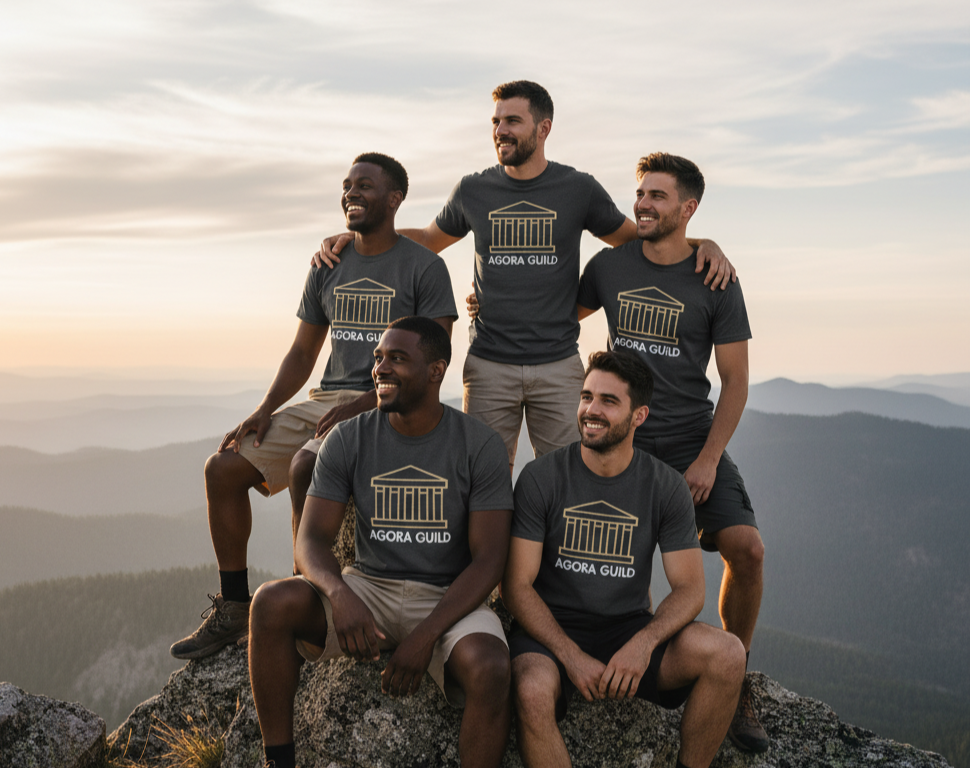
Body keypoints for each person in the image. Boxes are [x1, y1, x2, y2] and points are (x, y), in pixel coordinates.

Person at [315, 81, 734, 472]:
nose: (501, 130)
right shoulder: (473, 190)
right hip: (488, 366)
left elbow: (638, 239)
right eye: (495, 122)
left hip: (558, 365)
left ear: (543, 127)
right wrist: (357, 236)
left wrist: (702, 243)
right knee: (481, 478)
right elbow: (427, 238)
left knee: (575, 475)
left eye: (512, 121)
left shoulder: (578, 188)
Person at [170, 154, 459, 660]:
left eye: (365, 186)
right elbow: (304, 352)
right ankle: (236, 607)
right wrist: (265, 408)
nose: (351, 193)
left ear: (394, 200)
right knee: (223, 468)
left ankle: (308, 607)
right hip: (324, 399)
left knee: (309, 463)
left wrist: (370, 401)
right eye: (347, 185)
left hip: (389, 401)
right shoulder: (329, 264)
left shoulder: (425, 268)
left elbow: (437, 357)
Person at [248, 317, 514, 768]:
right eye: (378, 358)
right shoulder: (348, 438)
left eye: (397, 358)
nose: (380, 369)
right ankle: (280, 761)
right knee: (270, 603)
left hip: (448, 598)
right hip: (368, 586)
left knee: (491, 668)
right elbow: (310, 540)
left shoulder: (479, 445)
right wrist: (341, 594)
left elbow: (489, 560)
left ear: (436, 370)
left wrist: (427, 634)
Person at [576, 153, 767, 752]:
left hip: (689, 435)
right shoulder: (609, 265)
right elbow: (560, 313)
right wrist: (489, 306)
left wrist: (709, 459)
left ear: (688, 209)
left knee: (747, 548)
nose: (643, 205)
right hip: (624, 433)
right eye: (640, 194)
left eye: (658, 197)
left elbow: (735, 381)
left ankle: (739, 677)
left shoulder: (715, 279)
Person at [503, 350, 746, 768]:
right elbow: (517, 586)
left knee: (728, 654)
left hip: (629, 629)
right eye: (586, 397)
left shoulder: (665, 486)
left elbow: (690, 590)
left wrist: (643, 644)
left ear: (639, 416)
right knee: (532, 692)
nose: (591, 411)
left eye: (608, 401)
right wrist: (570, 656)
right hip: (550, 631)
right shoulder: (541, 477)